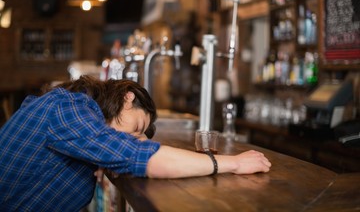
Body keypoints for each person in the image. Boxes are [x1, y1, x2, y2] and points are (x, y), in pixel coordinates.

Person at [0, 76, 271, 211]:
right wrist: (231, 162)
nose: (134, 137)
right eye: (138, 127)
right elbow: (139, 156)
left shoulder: (83, 124)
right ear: (127, 98)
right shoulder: (68, 106)